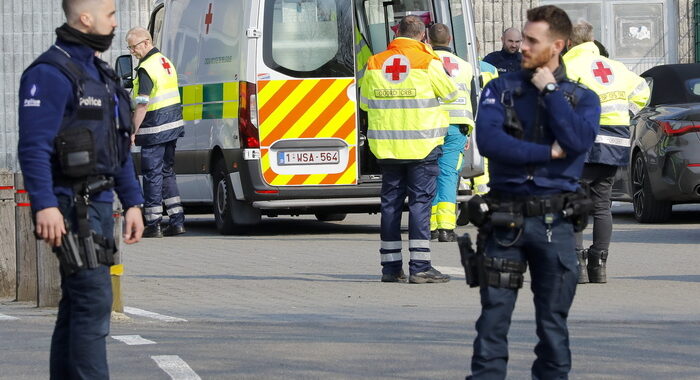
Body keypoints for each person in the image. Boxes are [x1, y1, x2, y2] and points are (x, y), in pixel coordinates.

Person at [467, 5, 600, 379]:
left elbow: (576, 140)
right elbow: (490, 141)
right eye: (522, 38)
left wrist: (552, 92)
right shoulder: (500, 88)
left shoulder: (580, 97)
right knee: (492, 322)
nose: (522, 46)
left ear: (557, 45)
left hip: (554, 225)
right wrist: (545, 152)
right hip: (504, 223)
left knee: (553, 328)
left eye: (531, 40)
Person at [17, 0, 144, 377]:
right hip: (70, 206)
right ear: (86, 19)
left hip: (101, 205)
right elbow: (34, 146)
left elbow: (117, 145)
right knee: (93, 299)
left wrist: (133, 201)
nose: (116, 23)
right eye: (111, 15)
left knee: (77, 304)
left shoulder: (100, 74)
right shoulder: (50, 73)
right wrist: (44, 205)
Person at [360, 15, 457, 284]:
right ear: (422, 35)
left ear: (397, 33)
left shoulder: (375, 62)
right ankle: (421, 266)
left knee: (390, 205)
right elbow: (450, 94)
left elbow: (365, 103)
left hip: (388, 148)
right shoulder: (428, 61)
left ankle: (390, 269)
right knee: (420, 205)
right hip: (422, 146)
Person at [563, 20, 650, 284]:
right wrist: (627, 114)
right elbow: (643, 94)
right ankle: (599, 264)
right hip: (614, 142)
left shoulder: (567, 66)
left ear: (568, 42)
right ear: (592, 39)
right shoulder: (617, 67)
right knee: (602, 205)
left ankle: (576, 266)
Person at [126, 27, 186, 238]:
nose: (132, 51)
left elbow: (142, 103)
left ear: (145, 42)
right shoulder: (165, 61)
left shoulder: (146, 67)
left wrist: (133, 130)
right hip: (172, 126)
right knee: (167, 172)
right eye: (130, 47)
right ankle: (177, 221)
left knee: (152, 175)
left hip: (154, 128)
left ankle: (154, 223)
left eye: (133, 47)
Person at [427, 23, 475, 242]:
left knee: (427, 175)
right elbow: (473, 101)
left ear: (428, 40)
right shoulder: (465, 66)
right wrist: (467, 131)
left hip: (430, 126)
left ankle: (430, 226)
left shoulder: (425, 63)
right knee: (448, 175)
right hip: (457, 128)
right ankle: (446, 228)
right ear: (450, 40)